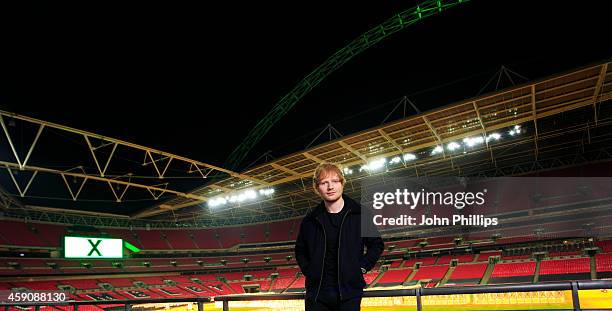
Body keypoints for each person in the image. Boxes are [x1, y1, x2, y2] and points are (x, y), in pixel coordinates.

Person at [295, 162, 384, 311]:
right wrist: (310, 271)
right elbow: (300, 250)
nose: (330, 187)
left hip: (349, 294)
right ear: (317, 188)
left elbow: (377, 245)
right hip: (317, 295)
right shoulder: (310, 220)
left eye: (335, 181)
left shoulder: (360, 214)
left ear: (342, 184)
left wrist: (361, 267)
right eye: (324, 183)